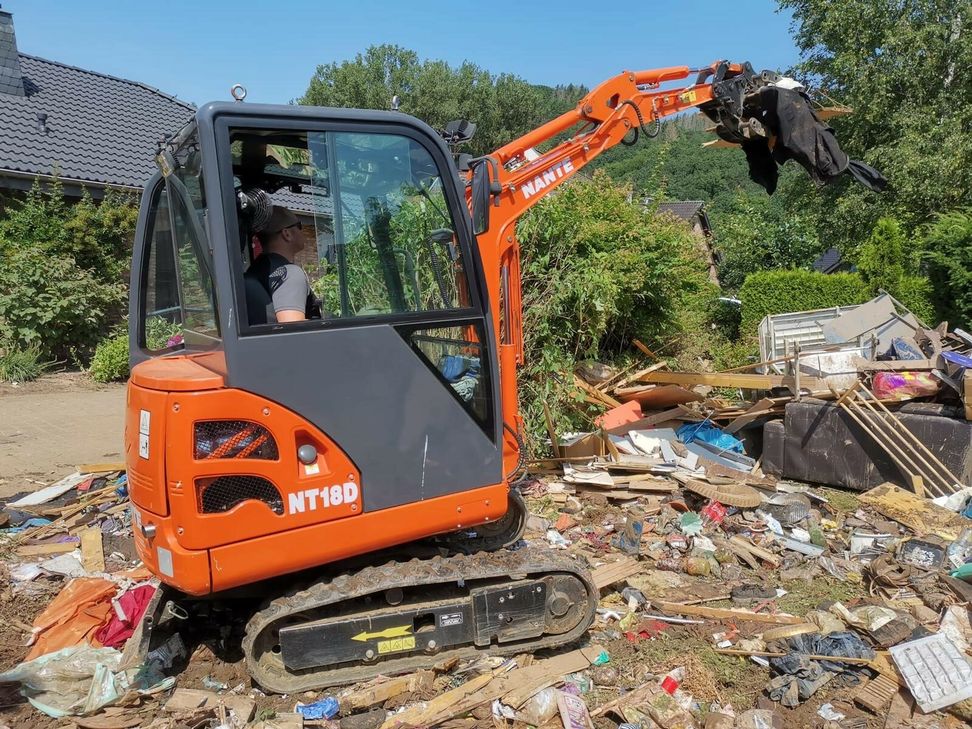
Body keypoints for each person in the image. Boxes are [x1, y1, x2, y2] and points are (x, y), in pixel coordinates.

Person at [244, 206, 320, 324]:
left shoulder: (255, 269)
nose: (302, 231)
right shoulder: (289, 273)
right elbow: (292, 328)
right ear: (287, 234)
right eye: (299, 226)